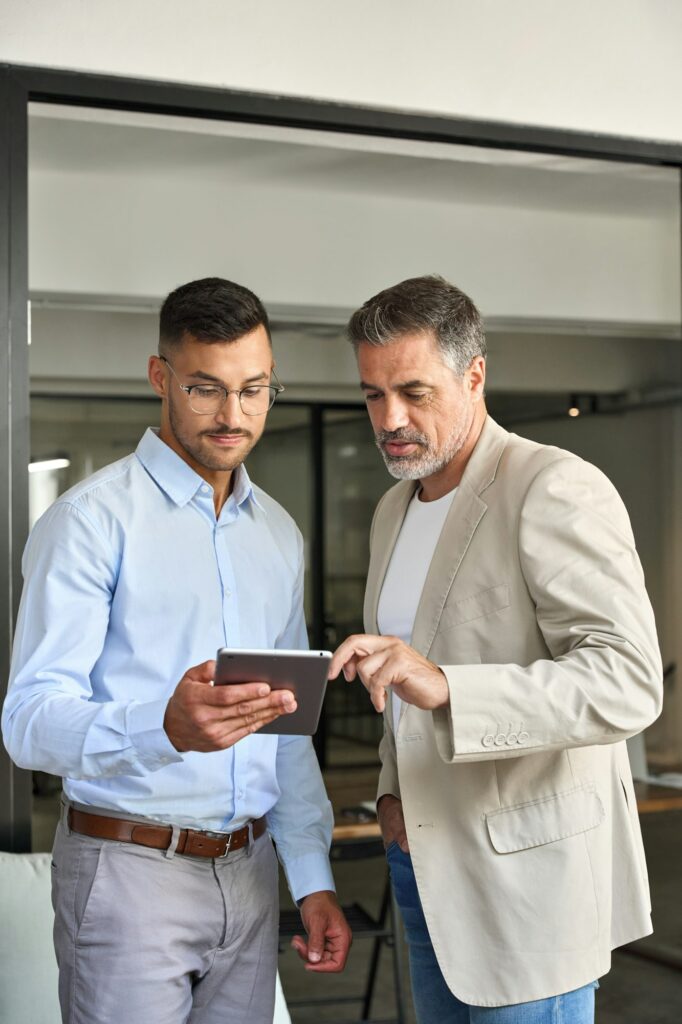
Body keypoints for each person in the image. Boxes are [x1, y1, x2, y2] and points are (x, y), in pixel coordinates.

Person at [3, 277, 351, 1024]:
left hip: (252, 875)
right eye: (205, 389)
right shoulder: (89, 523)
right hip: (129, 875)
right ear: (160, 377)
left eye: (254, 389)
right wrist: (162, 728)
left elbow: (287, 726)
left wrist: (312, 877)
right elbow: (28, 722)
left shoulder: (278, 535)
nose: (233, 415)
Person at [329, 274, 662, 1024]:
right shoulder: (392, 507)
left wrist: (450, 687)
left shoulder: (552, 486)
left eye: (414, 391)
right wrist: (388, 796)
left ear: (474, 375)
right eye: (373, 394)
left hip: (527, 883)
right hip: (418, 865)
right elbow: (402, 682)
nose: (390, 418)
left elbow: (629, 682)